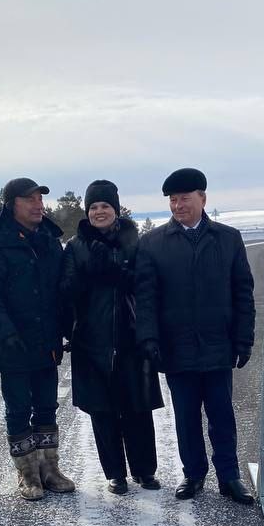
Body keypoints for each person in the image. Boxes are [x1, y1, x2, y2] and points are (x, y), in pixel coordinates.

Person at [135, 167, 255, 504]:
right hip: (177, 347)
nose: (178, 206)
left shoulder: (228, 239)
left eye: (184, 199)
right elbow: (146, 297)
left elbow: (243, 292)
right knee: (186, 417)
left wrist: (243, 339)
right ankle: (193, 474)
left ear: (202, 198)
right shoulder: (153, 243)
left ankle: (229, 477)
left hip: (218, 345)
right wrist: (149, 339)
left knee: (222, 416)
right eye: (173, 200)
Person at [0, 178, 76, 500]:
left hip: (46, 339)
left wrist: (68, 327)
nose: (38, 205)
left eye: (40, 199)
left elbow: (62, 290)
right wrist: (4, 330)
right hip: (13, 341)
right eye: (29, 199)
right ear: (11, 204)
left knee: (47, 405)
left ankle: (50, 469)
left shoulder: (49, 241)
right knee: (18, 408)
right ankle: (28, 474)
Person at [60, 180, 163, 495]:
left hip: (130, 338)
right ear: (87, 212)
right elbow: (65, 292)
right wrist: (89, 274)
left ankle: (144, 470)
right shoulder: (76, 247)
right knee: (102, 411)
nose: (99, 211)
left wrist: (117, 272)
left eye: (105, 205)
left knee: (137, 408)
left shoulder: (134, 242)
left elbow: (146, 285)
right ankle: (115, 473)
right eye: (93, 207)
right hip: (91, 342)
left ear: (116, 210)